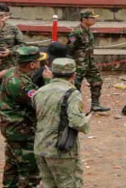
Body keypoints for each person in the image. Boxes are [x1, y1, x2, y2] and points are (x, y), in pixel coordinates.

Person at [32, 58, 92, 188]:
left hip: (40, 146)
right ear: (74, 75)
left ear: (52, 73)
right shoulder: (72, 94)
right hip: (61, 150)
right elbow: (77, 123)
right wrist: (87, 120)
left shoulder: (39, 91)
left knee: (48, 184)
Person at [0, 45, 49, 188]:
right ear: (32, 64)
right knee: (29, 172)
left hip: (12, 129)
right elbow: (41, 103)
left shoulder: (12, 73)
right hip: (22, 131)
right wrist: (49, 81)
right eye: (38, 61)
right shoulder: (20, 83)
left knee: (12, 165)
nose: (41, 63)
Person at [66, 10, 110, 113]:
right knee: (75, 86)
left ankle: (95, 104)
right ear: (84, 19)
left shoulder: (89, 31)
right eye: (92, 18)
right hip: (79, 64)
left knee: (97, 81)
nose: (94, 20)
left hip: (90, 63)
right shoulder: (76, 32)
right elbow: (69, 49)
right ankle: (74, 108)